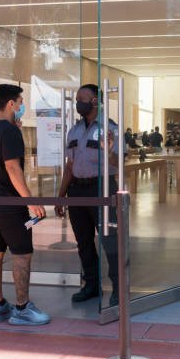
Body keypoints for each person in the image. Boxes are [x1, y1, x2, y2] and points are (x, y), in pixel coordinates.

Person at [0, 84, 49, 326]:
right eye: (20, 102)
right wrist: (30, 201)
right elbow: (12, 167)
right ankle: (22, 308)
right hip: (9, 205)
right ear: (10, 104)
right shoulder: (9, 132)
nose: (21, 106)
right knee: (22, 254)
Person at [54, 83, 120, 307]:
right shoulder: (74, 130)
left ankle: (118, 288)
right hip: (77, 191)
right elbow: (70, 165)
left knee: (109, 240)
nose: (77, 102)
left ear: (95, 101)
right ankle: (91, 285)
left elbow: (119, 164)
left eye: (82, 98)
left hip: (101, 188)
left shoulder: (110, 128)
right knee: (83, 241)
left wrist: (109, 150)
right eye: (76, 99)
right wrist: (61, 195)